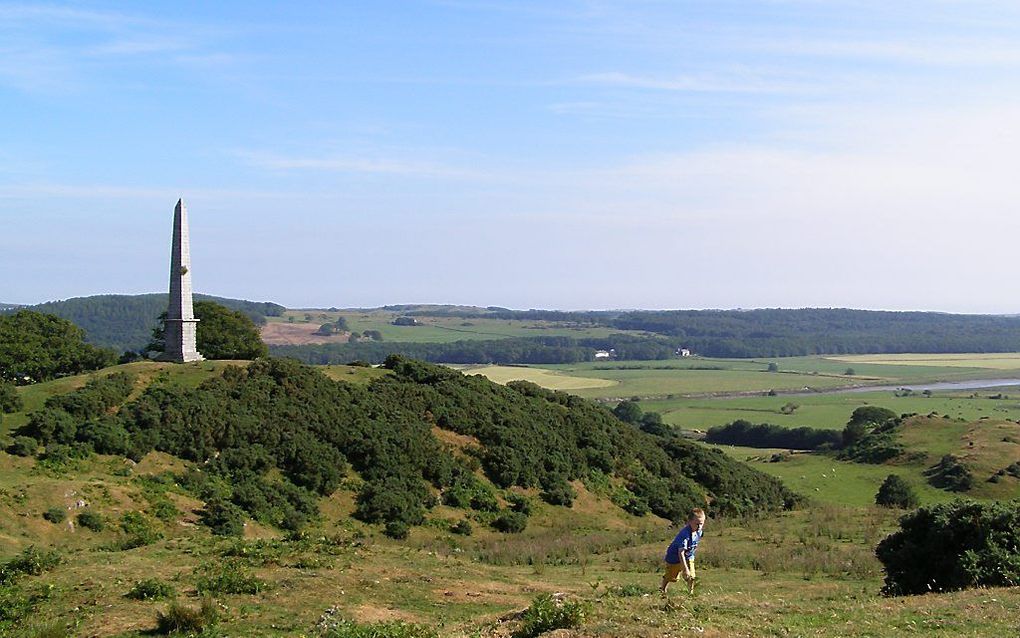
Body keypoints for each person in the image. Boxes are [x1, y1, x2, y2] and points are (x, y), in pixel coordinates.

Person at [660, 508, 706, 594]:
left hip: (688, 556)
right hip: (675, 557)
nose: (699, 527)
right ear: (689, 522)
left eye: (701, 524)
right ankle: (662, 588)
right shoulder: (684, 534)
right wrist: (685, 569)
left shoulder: (699, 531)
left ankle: (690, 593)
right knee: (672, 577)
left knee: (691, 576)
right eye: (697, 524)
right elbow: (680, 552)